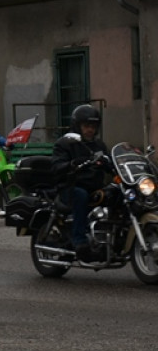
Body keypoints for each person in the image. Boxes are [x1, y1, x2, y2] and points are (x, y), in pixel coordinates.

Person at [51, 104, 110, 263]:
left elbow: (110, 163)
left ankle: (110, 237)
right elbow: (56, 166)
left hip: (95, 187)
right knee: (81, 195)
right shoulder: (66, 143)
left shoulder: (99, 145)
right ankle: (80, 241)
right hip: (70, 187)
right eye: (86, 126)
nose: (90, 130)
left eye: (93, 126)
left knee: (116, 193)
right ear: (77, 126)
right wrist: (72, 164)